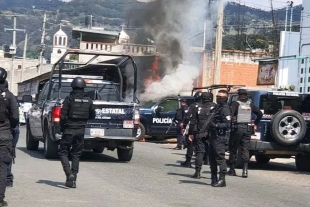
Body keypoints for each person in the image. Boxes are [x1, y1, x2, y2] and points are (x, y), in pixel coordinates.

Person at [58, 77, 94, 188]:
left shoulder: (69, 99)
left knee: (63, 152)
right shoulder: (89, 100)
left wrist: (62, 127)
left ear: (72, 86)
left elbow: (62, 116)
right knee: (76, 154)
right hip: (81, 131)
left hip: (69, 130)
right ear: (84, 86)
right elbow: (92, 115)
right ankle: (72, 180)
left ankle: (69, 174)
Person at [227, 89, 262, 178]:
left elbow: (230, 115)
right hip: (247, 129)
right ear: (246, 95)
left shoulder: (236, 104)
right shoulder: (250, 105)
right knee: (245, 149)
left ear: (238, 95)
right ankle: (245, 170)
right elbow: (260, 114)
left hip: (237, 129)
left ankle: (231, 169)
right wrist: (255, 123)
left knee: (233, 149)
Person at [0, 68, 19, 206]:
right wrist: (10, 128)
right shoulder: (10, 96)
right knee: (2, 167)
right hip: (5, 135)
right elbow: (15, 117)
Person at [188, 92, 216, 179]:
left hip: (199, 132)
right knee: (213, 153)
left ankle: (197, 172)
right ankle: (213, 174)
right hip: (212, 133)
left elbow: (193, 121)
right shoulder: (215, 106)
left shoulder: (196, 107)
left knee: (199, 153)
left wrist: (190, 133)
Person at [209, 90, 231, 187]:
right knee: (212, 158)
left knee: (220, 158)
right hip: (213, 136)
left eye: (220, 97)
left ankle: (222, 180)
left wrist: (216, 125)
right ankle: (214, 178)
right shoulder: (217, 108)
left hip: (220, 137)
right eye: (217, 96)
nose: (218, 99)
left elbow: (227, 124)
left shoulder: (225, 110)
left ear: (225, 98)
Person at [4, 81, 20, 188]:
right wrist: (12, 127)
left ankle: (8, 178)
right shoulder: (11, 97)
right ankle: (8, 178)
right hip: (9, 130)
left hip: (8, 130)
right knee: (9, 152)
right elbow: (15, 117)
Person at [180, 92, 201, 167]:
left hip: (194, 128)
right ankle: (202, 162)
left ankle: (188, 161)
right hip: (204, 129)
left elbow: (187, 117)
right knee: (201, 146)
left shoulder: (193, 106)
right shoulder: (208, 106)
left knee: (190, 145)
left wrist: (184, 126)